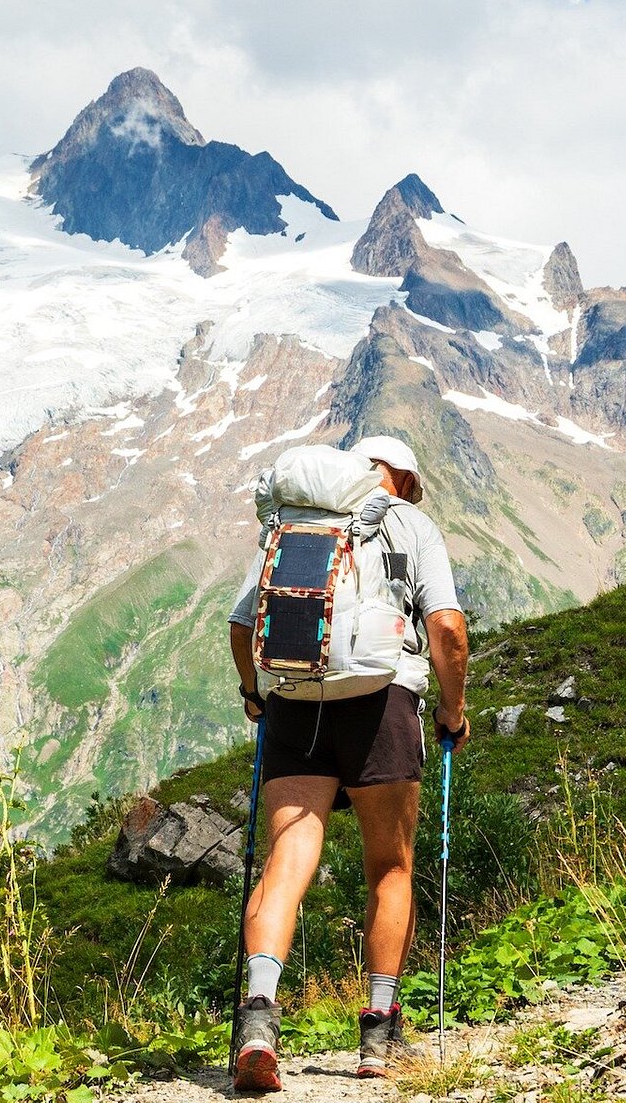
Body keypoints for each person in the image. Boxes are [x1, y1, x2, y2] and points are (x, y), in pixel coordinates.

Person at [227, 435, 469, 1089]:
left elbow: (245, 626)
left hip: (295, 703)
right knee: (389, 868)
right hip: (380, 703)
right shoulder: (411, 522)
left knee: (286, 862)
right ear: (403, 479)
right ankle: (379, 1036)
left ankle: (258, 1017)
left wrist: (256, 696)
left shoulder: (295, 522)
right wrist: (452, 709)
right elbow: (446, 627)